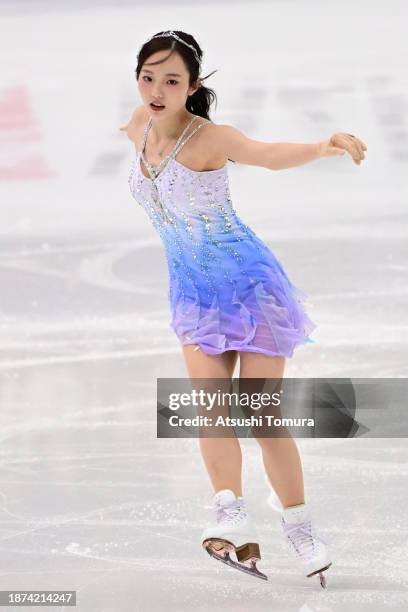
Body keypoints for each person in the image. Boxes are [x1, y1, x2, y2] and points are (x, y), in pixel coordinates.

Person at [120, 30, 367, 586]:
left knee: (261, 417)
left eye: (172, 80)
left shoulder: (211, 138)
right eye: (148, 77)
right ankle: (233, 522)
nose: (157, 90)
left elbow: (266, 155)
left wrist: (324, 146)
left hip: (250, 291)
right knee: (210, 411)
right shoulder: (137, 127)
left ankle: (300, 529)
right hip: (193, 295)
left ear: (194, 85)